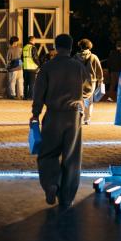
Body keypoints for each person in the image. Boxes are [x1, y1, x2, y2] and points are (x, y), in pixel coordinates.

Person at [31, 34, 91, 208]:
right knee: (72, 158)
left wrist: (35, 113)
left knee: (47, 154)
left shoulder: (47, 67)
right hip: (73, 116)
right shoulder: (78, 67)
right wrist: (80, 97)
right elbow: (88, 88)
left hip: (53, 116)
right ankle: (67, 197)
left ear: (56, 47)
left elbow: (38, 92)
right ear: (71, 47)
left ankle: (51, 183)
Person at [75, 39, 105, 125]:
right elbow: (99, 70)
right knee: (89, 100)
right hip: (91, 82)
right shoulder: (94, 57)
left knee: (78, 99)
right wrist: (101, 80)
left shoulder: (75, 57)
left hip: (78, 81)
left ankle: (79, 115)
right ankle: (87, 119)